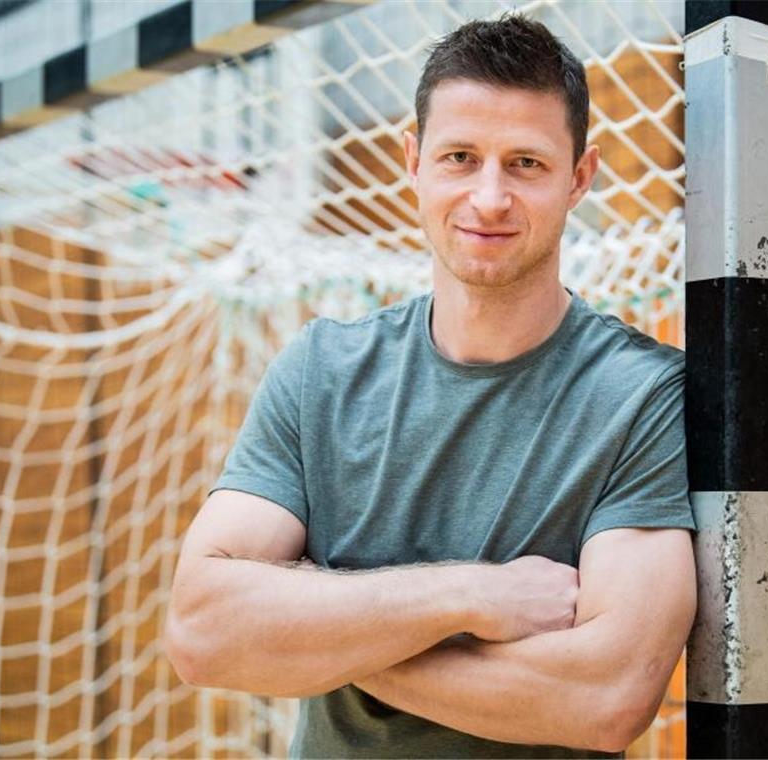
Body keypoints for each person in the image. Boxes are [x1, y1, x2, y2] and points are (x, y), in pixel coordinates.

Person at [164, 14, 696, 758]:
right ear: (412, 161)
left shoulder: (642, 397)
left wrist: (330, 635)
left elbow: (605, 696)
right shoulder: (322, 374)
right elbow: (200, 632)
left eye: (526, 164)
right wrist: (473, 597)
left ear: (580, 177)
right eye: (460, 157)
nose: (488, 197)